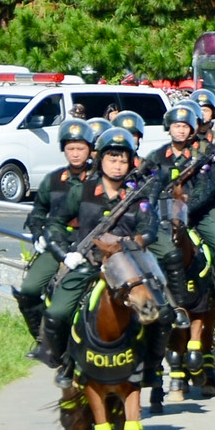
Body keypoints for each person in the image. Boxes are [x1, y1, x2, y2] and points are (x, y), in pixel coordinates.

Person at [41, 128, 162, 376]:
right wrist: (65, 253)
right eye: (112, 159)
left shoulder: (139, 194)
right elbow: (54, 223)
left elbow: (149, 229)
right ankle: (65, 363)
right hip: (89, 262)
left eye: (123, 160)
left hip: (129, 263)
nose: (117, 166)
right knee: (56, 314)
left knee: (162, 314)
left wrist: (123, 243)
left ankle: (149, 366)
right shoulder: (81, 190)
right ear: (100, 160)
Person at [16, 119, 95, 360]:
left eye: (80, 148)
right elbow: (38, 212)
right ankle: (44, 340)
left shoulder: (100, 178)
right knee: (29, 289)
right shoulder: (53, 179)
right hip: (58, 240)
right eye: (70, 148)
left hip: (91, 242)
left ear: (90, 149)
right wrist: (39, 235)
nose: (75, 153)